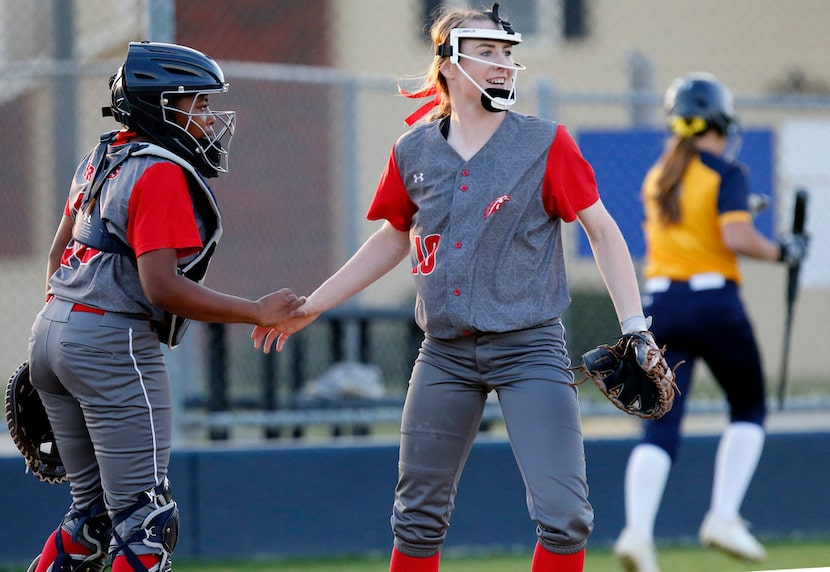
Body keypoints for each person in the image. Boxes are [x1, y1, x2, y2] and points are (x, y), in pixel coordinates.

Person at [253, 5, 660, 571]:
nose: (503, 64)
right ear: (447, 63)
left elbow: (604, 232)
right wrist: (313, 305)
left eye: (508, 53)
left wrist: (636, 327)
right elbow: (393, 238)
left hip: (529, 347)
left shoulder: (546, 142)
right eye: (487, 52)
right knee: (416, 519)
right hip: (444, 353)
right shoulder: (412, 150)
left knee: (565, 516)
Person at [26, 41, 305, 572]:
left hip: (52, 332)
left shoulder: (100, 157)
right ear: (159, 106)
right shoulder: (160, 171)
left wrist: (62, 335)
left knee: (90, 519)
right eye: (195, 104)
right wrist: (256, 311)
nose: (207, 116)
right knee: (144, 522)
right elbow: (162, 289)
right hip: (112, 344)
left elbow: (58, 257)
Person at [613, 72, 809, 572]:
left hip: (662, 306)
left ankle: (637, 533)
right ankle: (723, 515)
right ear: (720, 120)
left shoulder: (660, 174)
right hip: (713, 303)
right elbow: (739, 237)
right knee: (748, 405)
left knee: (662, 424)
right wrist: (783, 250)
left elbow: (694, 225)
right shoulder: (727, 172)